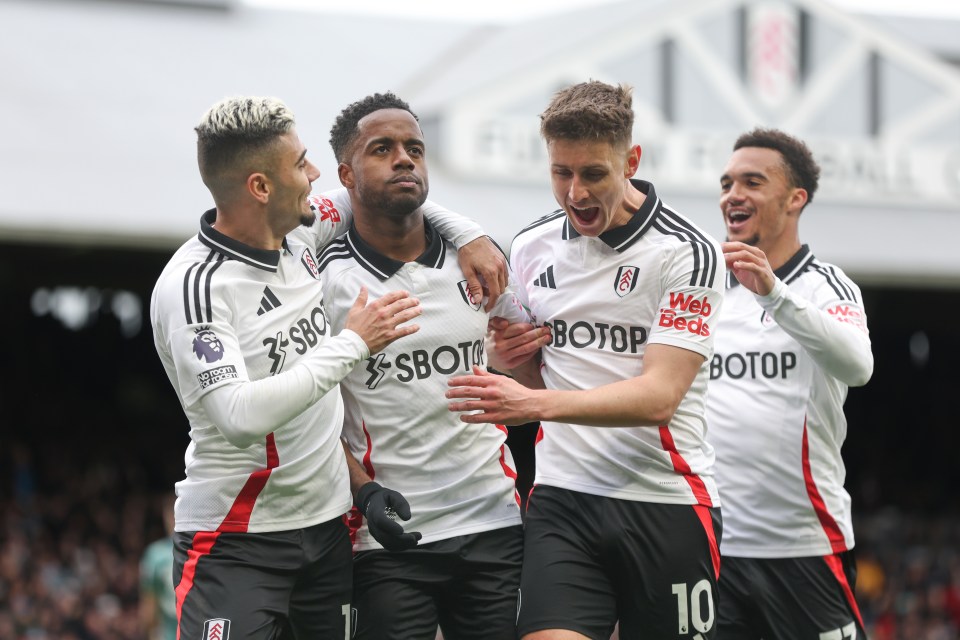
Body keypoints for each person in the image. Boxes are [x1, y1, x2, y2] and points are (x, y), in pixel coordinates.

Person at [149, 95, 507, 638]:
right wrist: (352, 343)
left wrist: (468, 233)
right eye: (300, 164)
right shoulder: (196, 288)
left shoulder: (303, 235)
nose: (314, 175)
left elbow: (383, 192)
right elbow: (238, 415)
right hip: (239, 535)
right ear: (260, 187)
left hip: (328, 531)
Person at [446, 80, 725, 639]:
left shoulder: (687, 254)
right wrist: (507, 359)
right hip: (563, 498)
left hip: (664, 500)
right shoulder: (530, 246)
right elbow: (533, 368)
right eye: (560, 173)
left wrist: (532, 401)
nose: (575, 193)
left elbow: (659, 398)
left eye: (593, 173)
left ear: (632, 160)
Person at [314, 91, 546, 640]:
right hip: (387, 539)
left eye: (414, 147)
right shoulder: (323, 281)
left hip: (495, 523)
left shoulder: (482, 266)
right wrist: (363, 492)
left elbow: (545, 364)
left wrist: (514, 379)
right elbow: (307, 417)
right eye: (383, 149)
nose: (404, 158)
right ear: (346, 174)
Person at [707, 128, 873, 639]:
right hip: (714, 551)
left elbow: (858, 366)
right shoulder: (705, 288)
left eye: (752, 182)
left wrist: (774, 294)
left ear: (795, 198)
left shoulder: (827, 286)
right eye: (727, 182)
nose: (733, 194)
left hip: (803, 547)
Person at [139, 493, 176, 640]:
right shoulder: (154, 555)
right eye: (169, 514)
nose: (172, 520)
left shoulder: (202, 551)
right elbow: (149, 608)